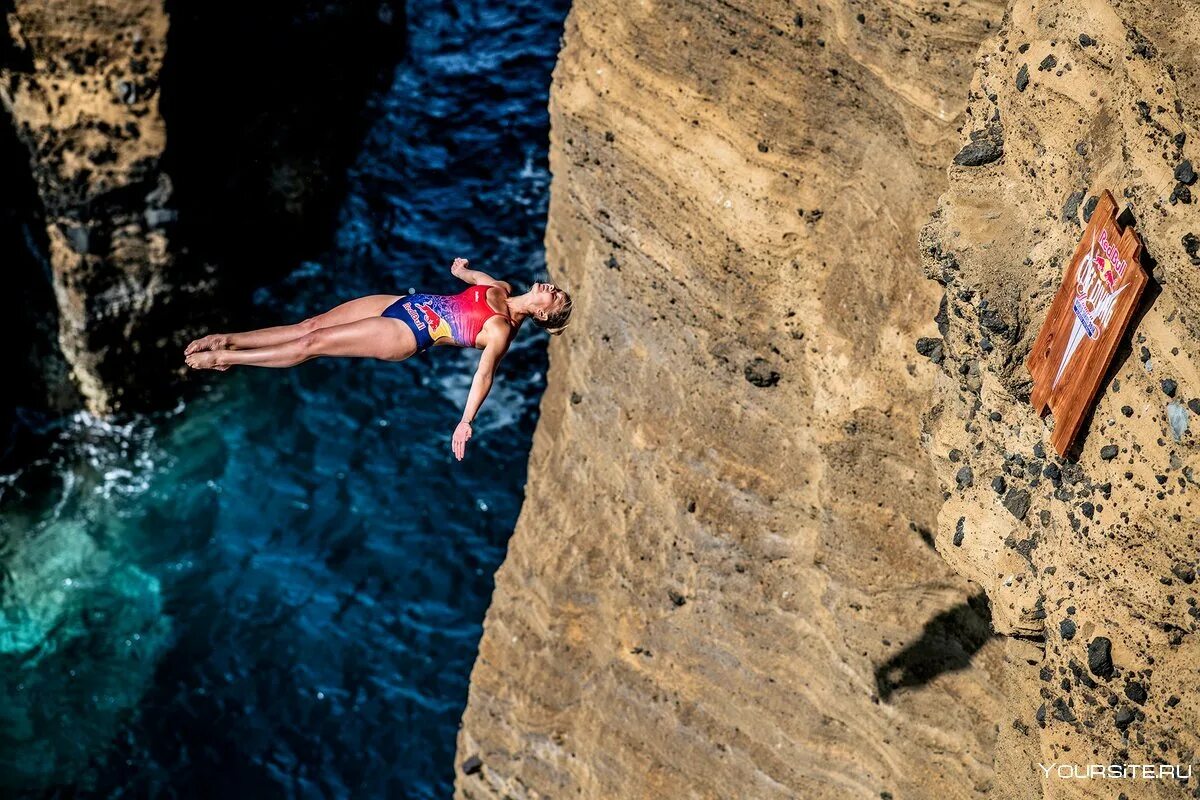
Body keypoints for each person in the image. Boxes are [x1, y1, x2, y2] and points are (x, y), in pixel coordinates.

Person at [184, 258, 573, 460]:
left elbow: (485, 374)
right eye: (555, 289)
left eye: (553, 297)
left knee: (313, 344)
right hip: (404, 304)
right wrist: (463, 271)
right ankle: (227, 339)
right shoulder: (502, 288)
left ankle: (229, 359)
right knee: (310, 324)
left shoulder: (501, 328)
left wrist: (466, 421)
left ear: (541, 315)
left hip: (407, 334)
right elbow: (476, 282)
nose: (550, 288)